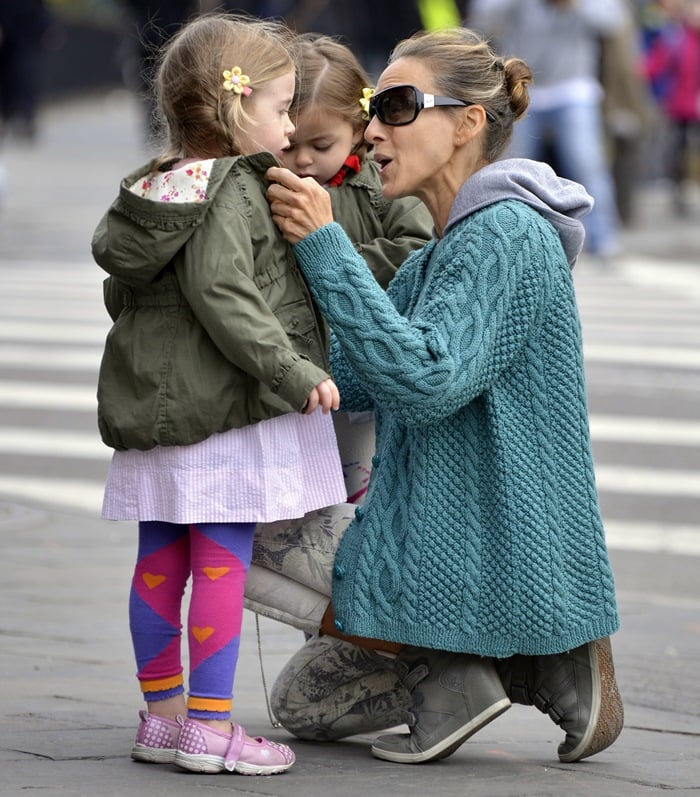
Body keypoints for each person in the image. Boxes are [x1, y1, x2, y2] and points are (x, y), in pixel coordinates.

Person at [256, 26, 624, 765]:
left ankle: (510, 654)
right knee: (303, 704)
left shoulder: (509, 233)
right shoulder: (438, 257)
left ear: (467, 123)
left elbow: (424, 382)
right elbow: (360, 381)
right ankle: (491, 663)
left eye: (396, 106)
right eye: (371, 108)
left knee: (244, 527)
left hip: (483, 547)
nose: (373, 129)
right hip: (441, 543)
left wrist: (326, 247)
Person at [92, 13, 350, 777]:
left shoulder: (159, 186)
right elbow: (224, 292)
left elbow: (123, 292)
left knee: (159, 559)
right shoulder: (234, 187)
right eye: (280, 107)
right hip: (223, 412)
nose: (291, 122)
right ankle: (209, 725)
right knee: (220, 563)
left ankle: (163, 718)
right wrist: (294, 370)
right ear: (238, 111)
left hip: (161, 410)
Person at [467, 0, 626, 261]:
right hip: (524, 86)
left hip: (573, 85)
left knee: (585, 161)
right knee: (511, 165)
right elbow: (483, 17)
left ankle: (603, 238)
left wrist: (573, 4)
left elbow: (613, 19)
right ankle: (505, 232)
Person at [644, 0, 700, 215]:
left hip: (693, 102)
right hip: (680, 104)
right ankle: (681, 189)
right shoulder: (677, 38)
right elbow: (658, 63)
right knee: (678, 148)